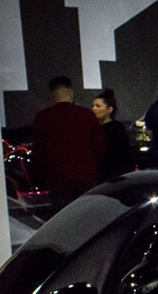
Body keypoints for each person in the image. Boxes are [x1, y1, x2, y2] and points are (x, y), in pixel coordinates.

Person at [31, 76, 105, 212]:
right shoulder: (87, 115)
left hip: (58, 181)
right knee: (86, 217)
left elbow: (39, 154)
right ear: (71, 93)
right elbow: (99, 149)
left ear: (52, 96)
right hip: (86, 178)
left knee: (64, 221)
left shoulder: (42, 118)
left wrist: (45, 177)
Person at [91, 88, 136, 179]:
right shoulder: (94, 128)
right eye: (93, 106)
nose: (93, 109)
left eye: (98, 106)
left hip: (112, 176)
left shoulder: (116, 129)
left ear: (109, 109)